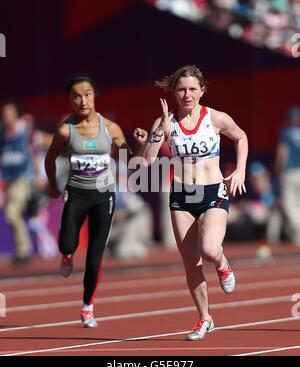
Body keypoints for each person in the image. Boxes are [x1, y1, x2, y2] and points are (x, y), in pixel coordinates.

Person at [138, 65, 248, 341]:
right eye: (181, 89)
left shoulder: (216, 118)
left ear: (202, 91)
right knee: (191, 263)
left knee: (210, 250)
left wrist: (241, 170)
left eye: (192, 89)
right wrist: (157, 133)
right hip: (182, 196)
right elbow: (145, 162)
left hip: (212, 191)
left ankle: (222, 263)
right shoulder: (166, 122)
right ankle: (205, 318)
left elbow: (241, 137)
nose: (187, 94)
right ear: (174, 92)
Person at [45, 75, 147, 328]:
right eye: (77, 96)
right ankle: (67, 255)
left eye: (87, 94)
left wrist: (141, 145)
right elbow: (50, 160)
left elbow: (131, 161)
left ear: (95, 96)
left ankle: (87, 307)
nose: (83, 100)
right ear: (70, 100)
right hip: (76, 195)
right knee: (67, 243)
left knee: (94, 257)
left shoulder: (110, 128)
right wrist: (52, 185)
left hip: (104, 197)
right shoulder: (65, 130)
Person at [0, 101, 36, 264]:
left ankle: (24, 250)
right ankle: (21, 250)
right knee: (11, 214)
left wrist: (40, 175)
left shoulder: (25, 129)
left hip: (22, 178)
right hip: (6, 180)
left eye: (10, 113)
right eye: (4, 113)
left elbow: (36, 149)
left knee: (12, 212)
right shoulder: (2, 132)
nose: (7, 116)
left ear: (16, 114)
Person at [274, 106, 300, 245]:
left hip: (289, 173)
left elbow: (282, 152)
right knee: (298, 205)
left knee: (289, 206)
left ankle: (298, 232)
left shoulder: (286, 131)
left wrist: (277, 168)